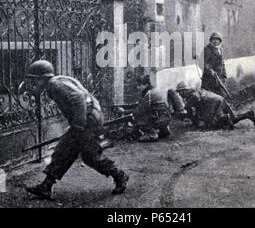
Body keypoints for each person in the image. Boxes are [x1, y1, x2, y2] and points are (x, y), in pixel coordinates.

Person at [25, 60, 129, 200]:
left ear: (42, 78)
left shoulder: (54, 84)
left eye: (35, 80)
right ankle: (46, 186)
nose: (34, 83)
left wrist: (78, 126)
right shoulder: (59, 81)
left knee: (89, 156)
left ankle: (119, 175)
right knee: (64, 150)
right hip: (90, 118)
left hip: (88, 121)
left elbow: (79, 99)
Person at [176, 82, 255, 130]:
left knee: (211, 124)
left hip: (214, 103)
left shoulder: (192, 96)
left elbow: (191, 112)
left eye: (180, 92)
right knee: (233, 117)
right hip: (220, 99)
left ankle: (225, 118)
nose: (179, 94)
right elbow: (197, 110)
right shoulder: (196, 91)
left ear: (185, 90)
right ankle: (248, 114)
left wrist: (195, 122)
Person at [133, 75, 171, 142]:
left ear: (146, 84)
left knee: (139, 116)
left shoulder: (149, 93)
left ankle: (152, 134)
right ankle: (163, 130)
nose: (137, 87)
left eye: (139, 85)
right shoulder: (154, 90)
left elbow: (140, 109)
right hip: (166, 117)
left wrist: (125, 112)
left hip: (160, 119)